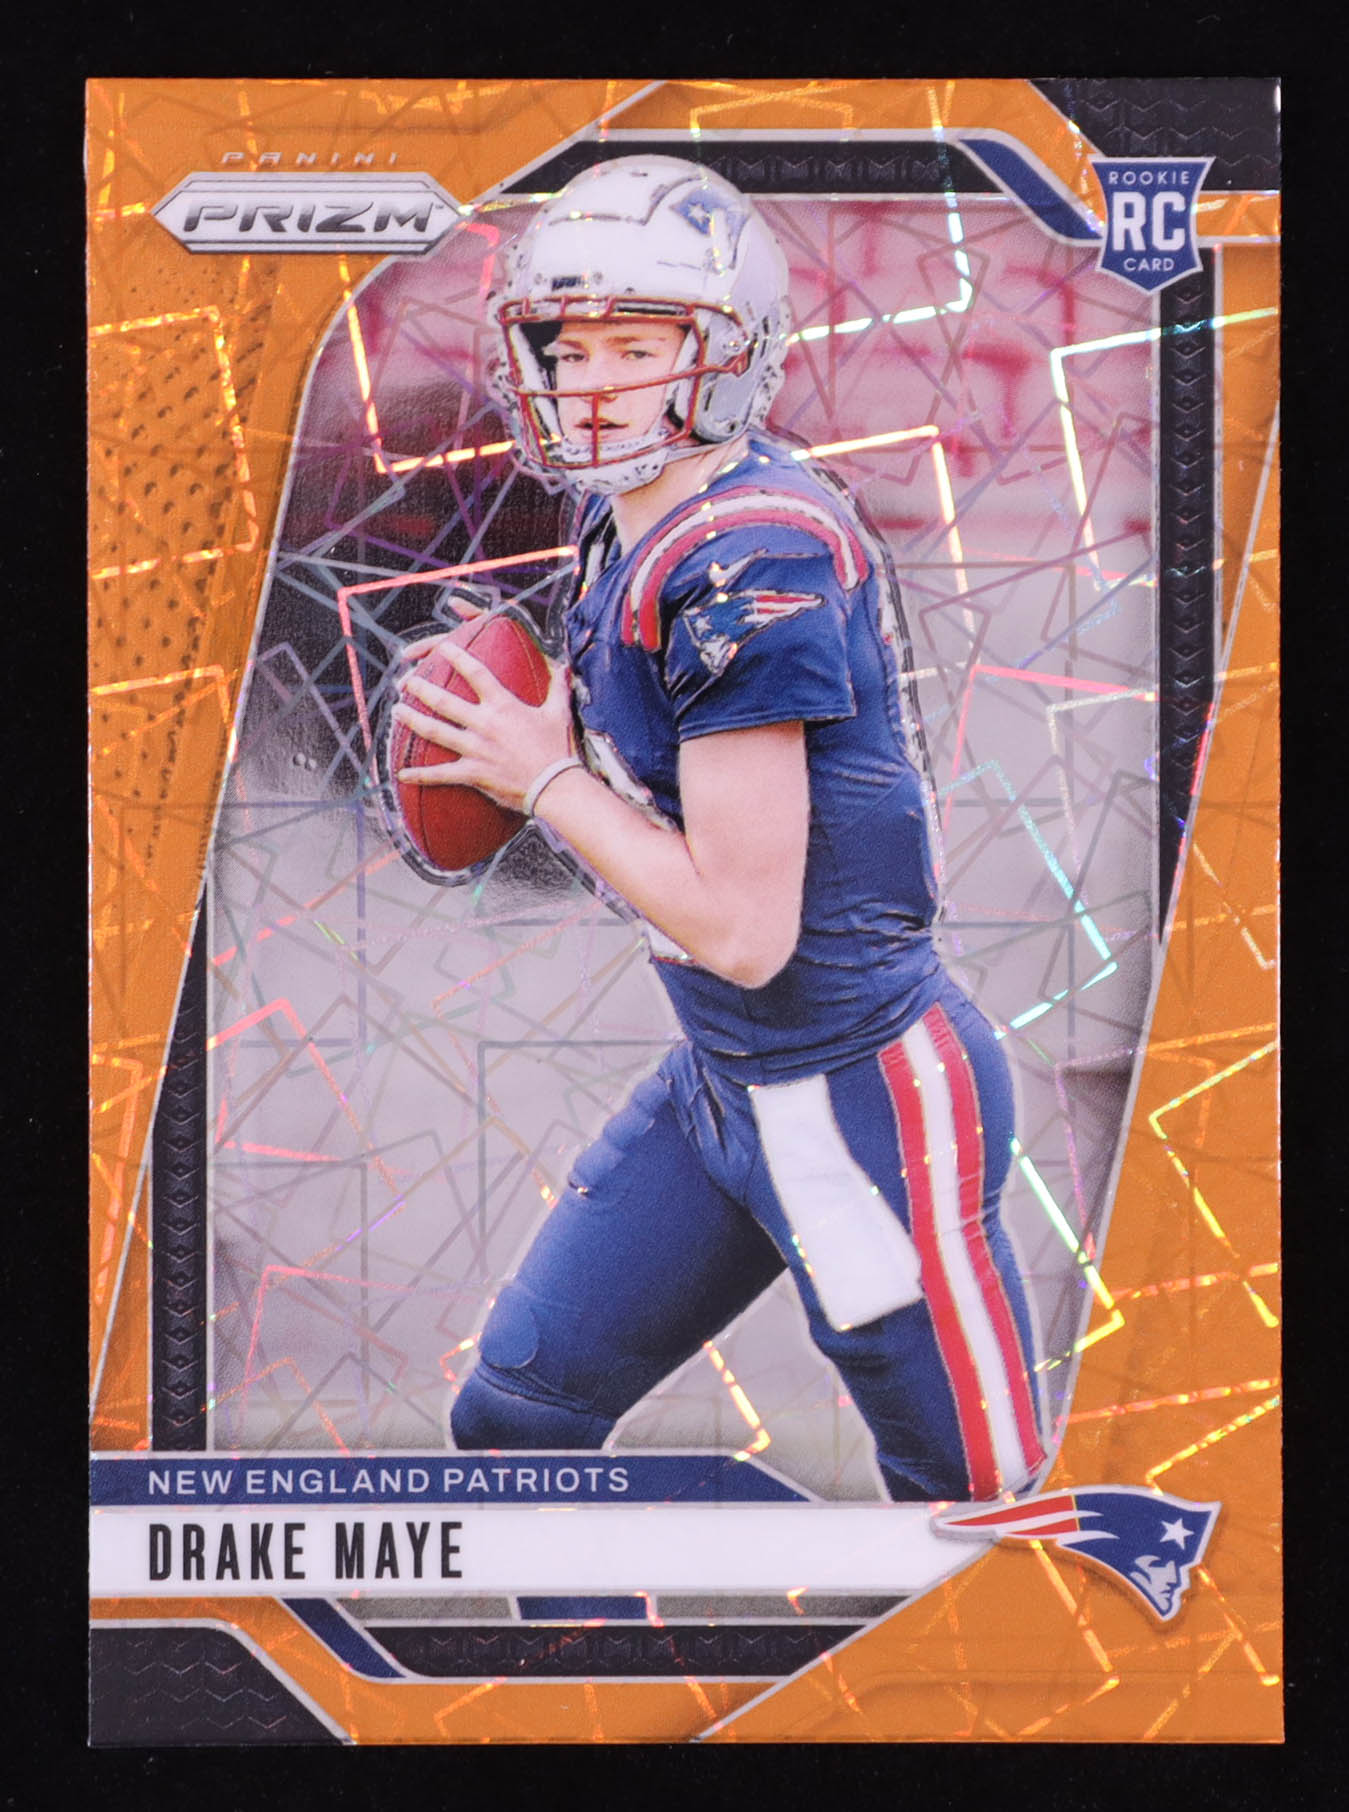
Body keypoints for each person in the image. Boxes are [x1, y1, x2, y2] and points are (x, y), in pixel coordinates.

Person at [393, 156, 1045, 1501]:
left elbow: (746, 932)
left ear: (730, 356)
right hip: (728, 1080)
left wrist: (544, 779)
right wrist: (544, 747)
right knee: (517, 1419)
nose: (594, 384)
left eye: (639, 349)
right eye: (569, 349)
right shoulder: (629, 516)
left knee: (981, 1515)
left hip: (854, 1094)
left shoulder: (750, 555)